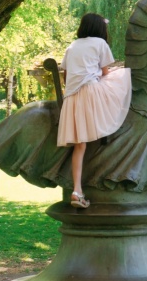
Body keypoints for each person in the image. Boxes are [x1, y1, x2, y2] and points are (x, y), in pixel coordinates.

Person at [57, 13, 132, 208]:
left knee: (79, 146)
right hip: (90, 93)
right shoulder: (100, 43)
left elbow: (66, 76)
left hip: (71, 98)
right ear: (100, 28)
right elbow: (106, 72)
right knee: (122, 76)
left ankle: (77, 190)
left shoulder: (72, 46)